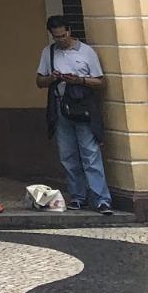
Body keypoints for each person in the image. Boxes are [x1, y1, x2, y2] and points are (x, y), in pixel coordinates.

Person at [36, 15, 112, 215]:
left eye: (63, 35)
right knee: (67, 155)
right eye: (56, 37)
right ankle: (78, 197)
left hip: (82, 106)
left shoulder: (86, 52)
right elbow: (39, 81)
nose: (60, 40)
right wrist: (52, 78)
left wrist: (79, 80)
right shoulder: (49, 52)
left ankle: (101, 199)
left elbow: (100, 81)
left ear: (69, 31)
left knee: (90, 154)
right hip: (60, 106)